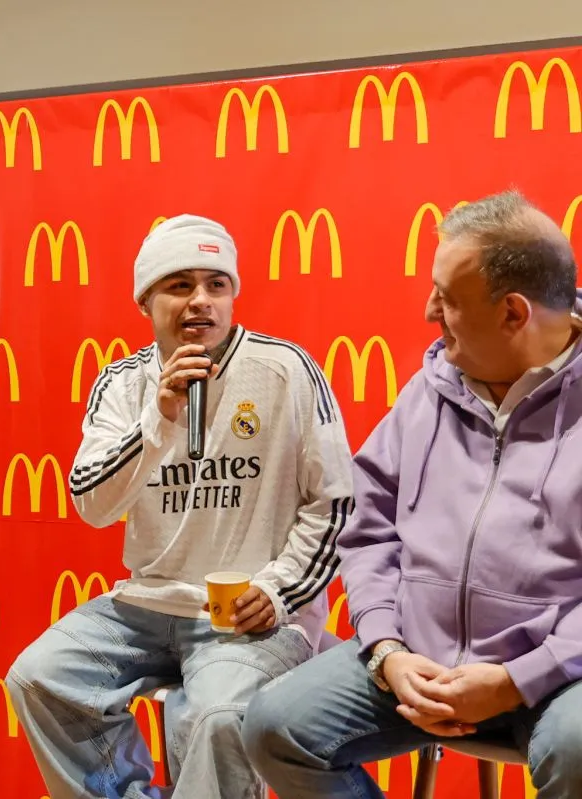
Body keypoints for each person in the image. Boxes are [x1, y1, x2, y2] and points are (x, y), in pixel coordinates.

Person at [242, 190, 582, 798]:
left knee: (578, 748)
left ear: (513, 313)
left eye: (447, 298)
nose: (429, 311)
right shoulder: (429, 389)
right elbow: (368, 526)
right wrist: (386, 649)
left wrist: (517, 680)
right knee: (275, 728)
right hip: (417, 660)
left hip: (560, 676)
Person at [4, 214, 355, 798]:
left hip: (250, 613)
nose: (200, 301)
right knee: (39, 677)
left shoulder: (286, 369)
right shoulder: (123, 383)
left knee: (216, 717)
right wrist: (158, 420)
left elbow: (336, 501)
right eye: (179, 285)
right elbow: (92, 503)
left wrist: (278, 590)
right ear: (146, 300)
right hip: (147, 604)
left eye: (217, 285)